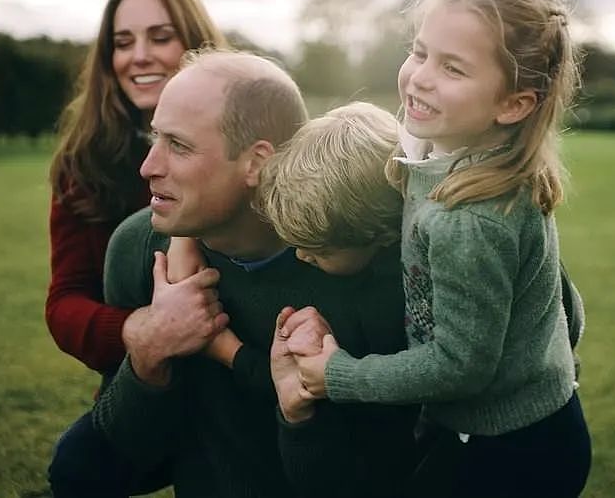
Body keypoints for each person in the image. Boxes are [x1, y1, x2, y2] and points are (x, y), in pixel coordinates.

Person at [289, 0, 592, 497]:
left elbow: (459, 367)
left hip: (512, 451)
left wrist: (339, 375)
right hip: (516, 422)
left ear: (514, 104)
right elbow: (563, 300)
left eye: (452, 67)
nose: (420, 78)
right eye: (419, 51)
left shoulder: (469, 217)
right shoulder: (456, 156)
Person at [91, 49, 418, 498]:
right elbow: (128, 450)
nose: (148, 167)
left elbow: (395, 463)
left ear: (256, 162)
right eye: (155, 139)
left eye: (179, 146)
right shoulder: (139, 248)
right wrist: (150, 350)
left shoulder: (365, 257)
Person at [45, 0, 228, 496]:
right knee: (77, 467)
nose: (140, 56)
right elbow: (64, 303)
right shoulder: (85, 164)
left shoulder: (250, 137)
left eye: (161, 36)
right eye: (123, 43)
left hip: (241, 372)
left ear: (196, 44)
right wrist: (144, 331)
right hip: (145, 376)